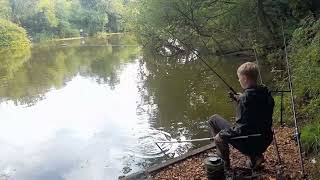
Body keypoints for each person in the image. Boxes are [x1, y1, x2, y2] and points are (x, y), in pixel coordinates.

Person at [208, 62, 274, 170]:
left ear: (244, 78)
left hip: (250, 143)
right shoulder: (266, 93)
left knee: (213, 120)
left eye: (239, 78)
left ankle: (224, 163)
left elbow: (240, 130)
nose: (238, 80)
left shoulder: (245, 100)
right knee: (249, 129)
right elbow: (256, 107)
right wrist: (241, 97)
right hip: (264, 140)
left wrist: (221, 134)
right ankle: (255, 156)